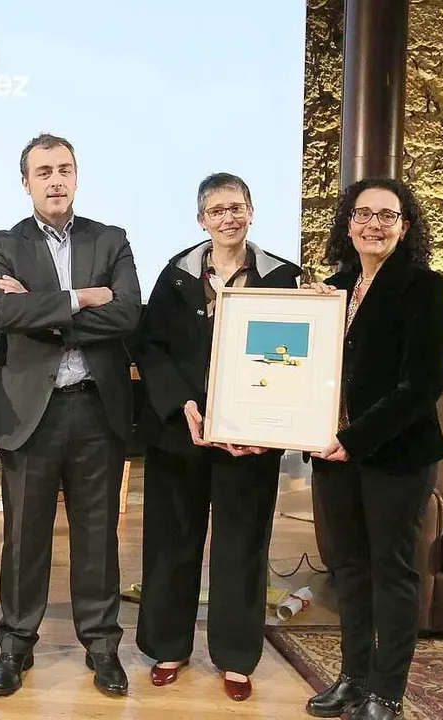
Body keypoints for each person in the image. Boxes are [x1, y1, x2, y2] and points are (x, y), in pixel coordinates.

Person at [0, 133, 141, 697]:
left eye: (64, 169)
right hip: (32, 411)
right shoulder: (2, 243)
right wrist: (82, 297)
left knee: (98, 537)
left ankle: (102, 645)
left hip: (97, 408)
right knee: (24, 536)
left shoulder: (110, 239)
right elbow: (1, 311)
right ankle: (15, 644)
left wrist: (42, 307)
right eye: (43, 171)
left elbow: (126, 316)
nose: (55, 180)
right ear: (25, 181)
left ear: (77, 177)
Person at [133, 173, 301, 701]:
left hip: (250, 440)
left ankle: (234, 656)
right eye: (218, 209)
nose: (229, 217)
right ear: (201, 219)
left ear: (251, 212)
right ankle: (168, 647)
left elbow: (294, 357)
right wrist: (183, 405)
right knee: (172, 542)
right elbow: (150, 347)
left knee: (242, 547)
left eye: (238, 207)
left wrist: (265, 422)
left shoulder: (283, 277)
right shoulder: (176, 274)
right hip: (183, 433)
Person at [304, 178, 443, 720]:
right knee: (349, 570)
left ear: (405, 226)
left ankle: (386, 692)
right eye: (363, 214)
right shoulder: (334, 289)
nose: (374, 224)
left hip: (394, 454)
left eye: (387, 215)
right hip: (331, 453)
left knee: (391, 571)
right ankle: (353, 677)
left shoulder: (422, 286)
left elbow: (423, 384)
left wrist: (354, 438)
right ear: (347, 223)